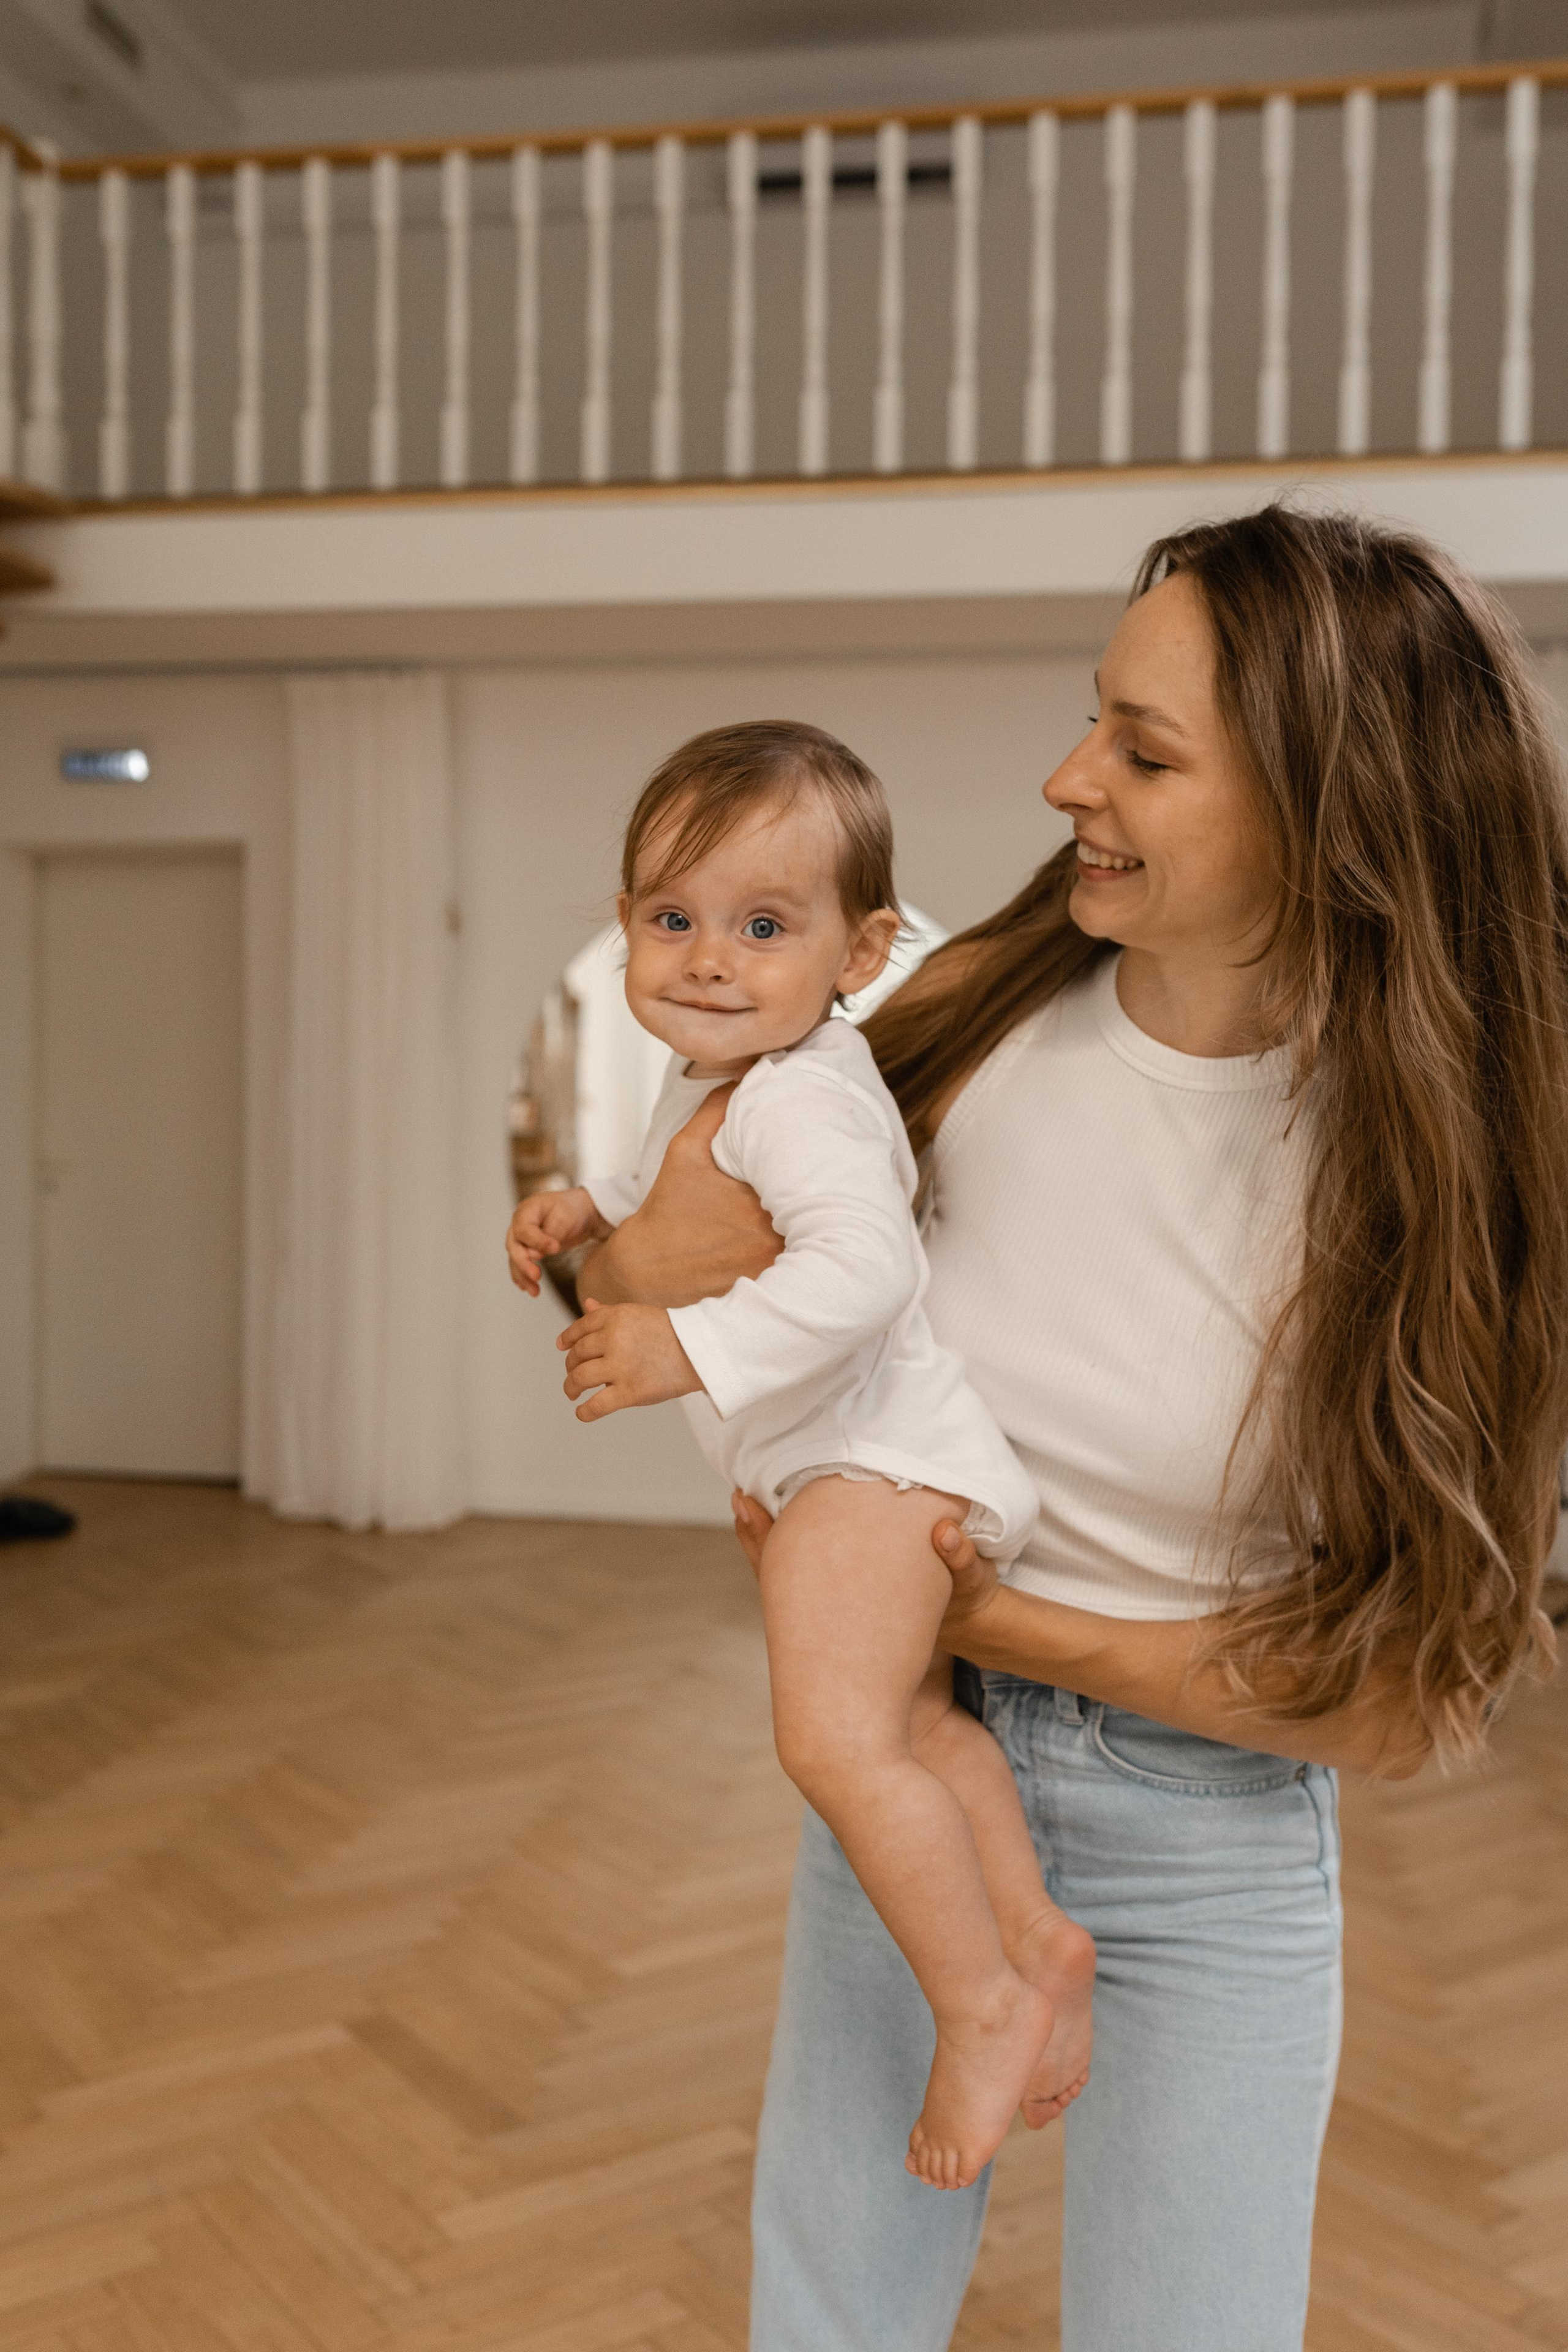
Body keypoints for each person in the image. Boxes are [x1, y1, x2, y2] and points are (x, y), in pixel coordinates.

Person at [533, 507, 1568, 2351]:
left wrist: (959, 1612)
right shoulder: (948, 1026)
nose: (1065, 775)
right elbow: (653, 1285)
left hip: (1211, 1836)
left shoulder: (1440, 1182)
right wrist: (605, 1263)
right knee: (831, 2314)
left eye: (1146, 751)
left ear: (1335, 813)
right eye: (1099, 714)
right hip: (916, 1767)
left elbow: (1408, 1695)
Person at [507, 722, 1093, 2190]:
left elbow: (862, 1272)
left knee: (828, 1744)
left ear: (857, 952)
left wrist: (682, 1347)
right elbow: (673, 1187)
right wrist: (590, 1212)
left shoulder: (807, 1092)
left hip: (872, 1462)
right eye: (671, 918)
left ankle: (978, 2005)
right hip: (841, 1463)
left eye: (763, 926)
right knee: (913, 1732)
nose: (707, 957)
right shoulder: (725, 1077)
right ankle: (1036, 1937)